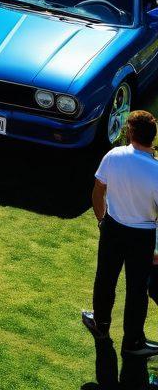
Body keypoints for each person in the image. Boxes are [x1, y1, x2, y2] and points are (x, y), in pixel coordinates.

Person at [83, 110, 158, 358]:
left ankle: (101, 325)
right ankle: (133, 342)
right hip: (143, 237)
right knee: (137, 290)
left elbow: (97, 191)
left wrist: (102, 220)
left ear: (131, 132)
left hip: (112, 229)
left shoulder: (113, 155)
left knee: (105, 278)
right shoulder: (156, 171)